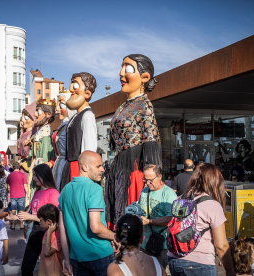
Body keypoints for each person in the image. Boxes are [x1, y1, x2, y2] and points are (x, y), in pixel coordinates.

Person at [105, 54, 162, 230]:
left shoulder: (145, 105)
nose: (121, 74)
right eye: (122, 68)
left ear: (144, 77)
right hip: (120, 168)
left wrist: (151, 178)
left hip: (133, 172)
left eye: (128, 69)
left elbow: (151, 143)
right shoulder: (124, 106)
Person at [168, 163, 235, 276]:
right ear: (215, 182)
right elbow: (221, 245)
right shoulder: (212, 205)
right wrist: (230, 270)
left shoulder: (181, 198)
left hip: (174, 259)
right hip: (199, 263)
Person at [59, 150, 115, 276]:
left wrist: (67, 260)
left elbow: (62, 229)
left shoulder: (65, 190)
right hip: (100, 254)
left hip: (76, 258)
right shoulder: (94, 188)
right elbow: (95, 227)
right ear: (85, 167)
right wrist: (115, 237)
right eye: (98, 166)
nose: (102, 169)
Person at [18, 163, 60, 276]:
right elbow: (30, 211)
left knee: (47, 267)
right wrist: (16, 216)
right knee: (26, 266)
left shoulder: (54, 193)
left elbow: (51, 218)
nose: (34, 179)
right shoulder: (37, 192)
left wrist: (29, 217)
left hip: (48, 234)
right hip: (35, 231)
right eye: (34, 175)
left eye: (37, 176)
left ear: (44, 175)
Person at [59, 72, 98, 190]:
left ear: (87, 93)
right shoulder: (77, 116)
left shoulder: (87, 116)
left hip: (78, 168)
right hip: (71, 166)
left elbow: (89, 148)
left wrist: (86, 174)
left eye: (75, 86)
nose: (71, 90)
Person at [138, 164, 177, 269]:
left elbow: (171, 219)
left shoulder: (169, 194)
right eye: (145, 180)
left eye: (151, 180)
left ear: (160, 176)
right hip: (144, 243)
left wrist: (150, 222)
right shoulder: (144, 191)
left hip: (161, 244)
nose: (148, 183)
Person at [47, 90, 77, 190]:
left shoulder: (70, 126)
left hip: (65, 165)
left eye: (62, 105)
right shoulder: (63, 126)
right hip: (59, 164)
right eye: (58, 105)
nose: (57, 109)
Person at [36, 203, 63, 276]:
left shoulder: (58, 235)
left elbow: (47, 253)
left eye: (41, 220)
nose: (40, 223)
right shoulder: (47, 232)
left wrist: (49, 233)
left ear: (49, 222)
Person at [6, 162, 28, 230]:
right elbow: (25, 185)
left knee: (13, 210)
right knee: (21, 211)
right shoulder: (22, 175)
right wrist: (28, 193)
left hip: (13, 195)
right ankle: (21, 225)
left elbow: (7, 185)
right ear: (19, 167)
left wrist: (9, 190)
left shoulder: (10, 175)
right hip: (21, 195)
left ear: (13, 167)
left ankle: (13, 225)